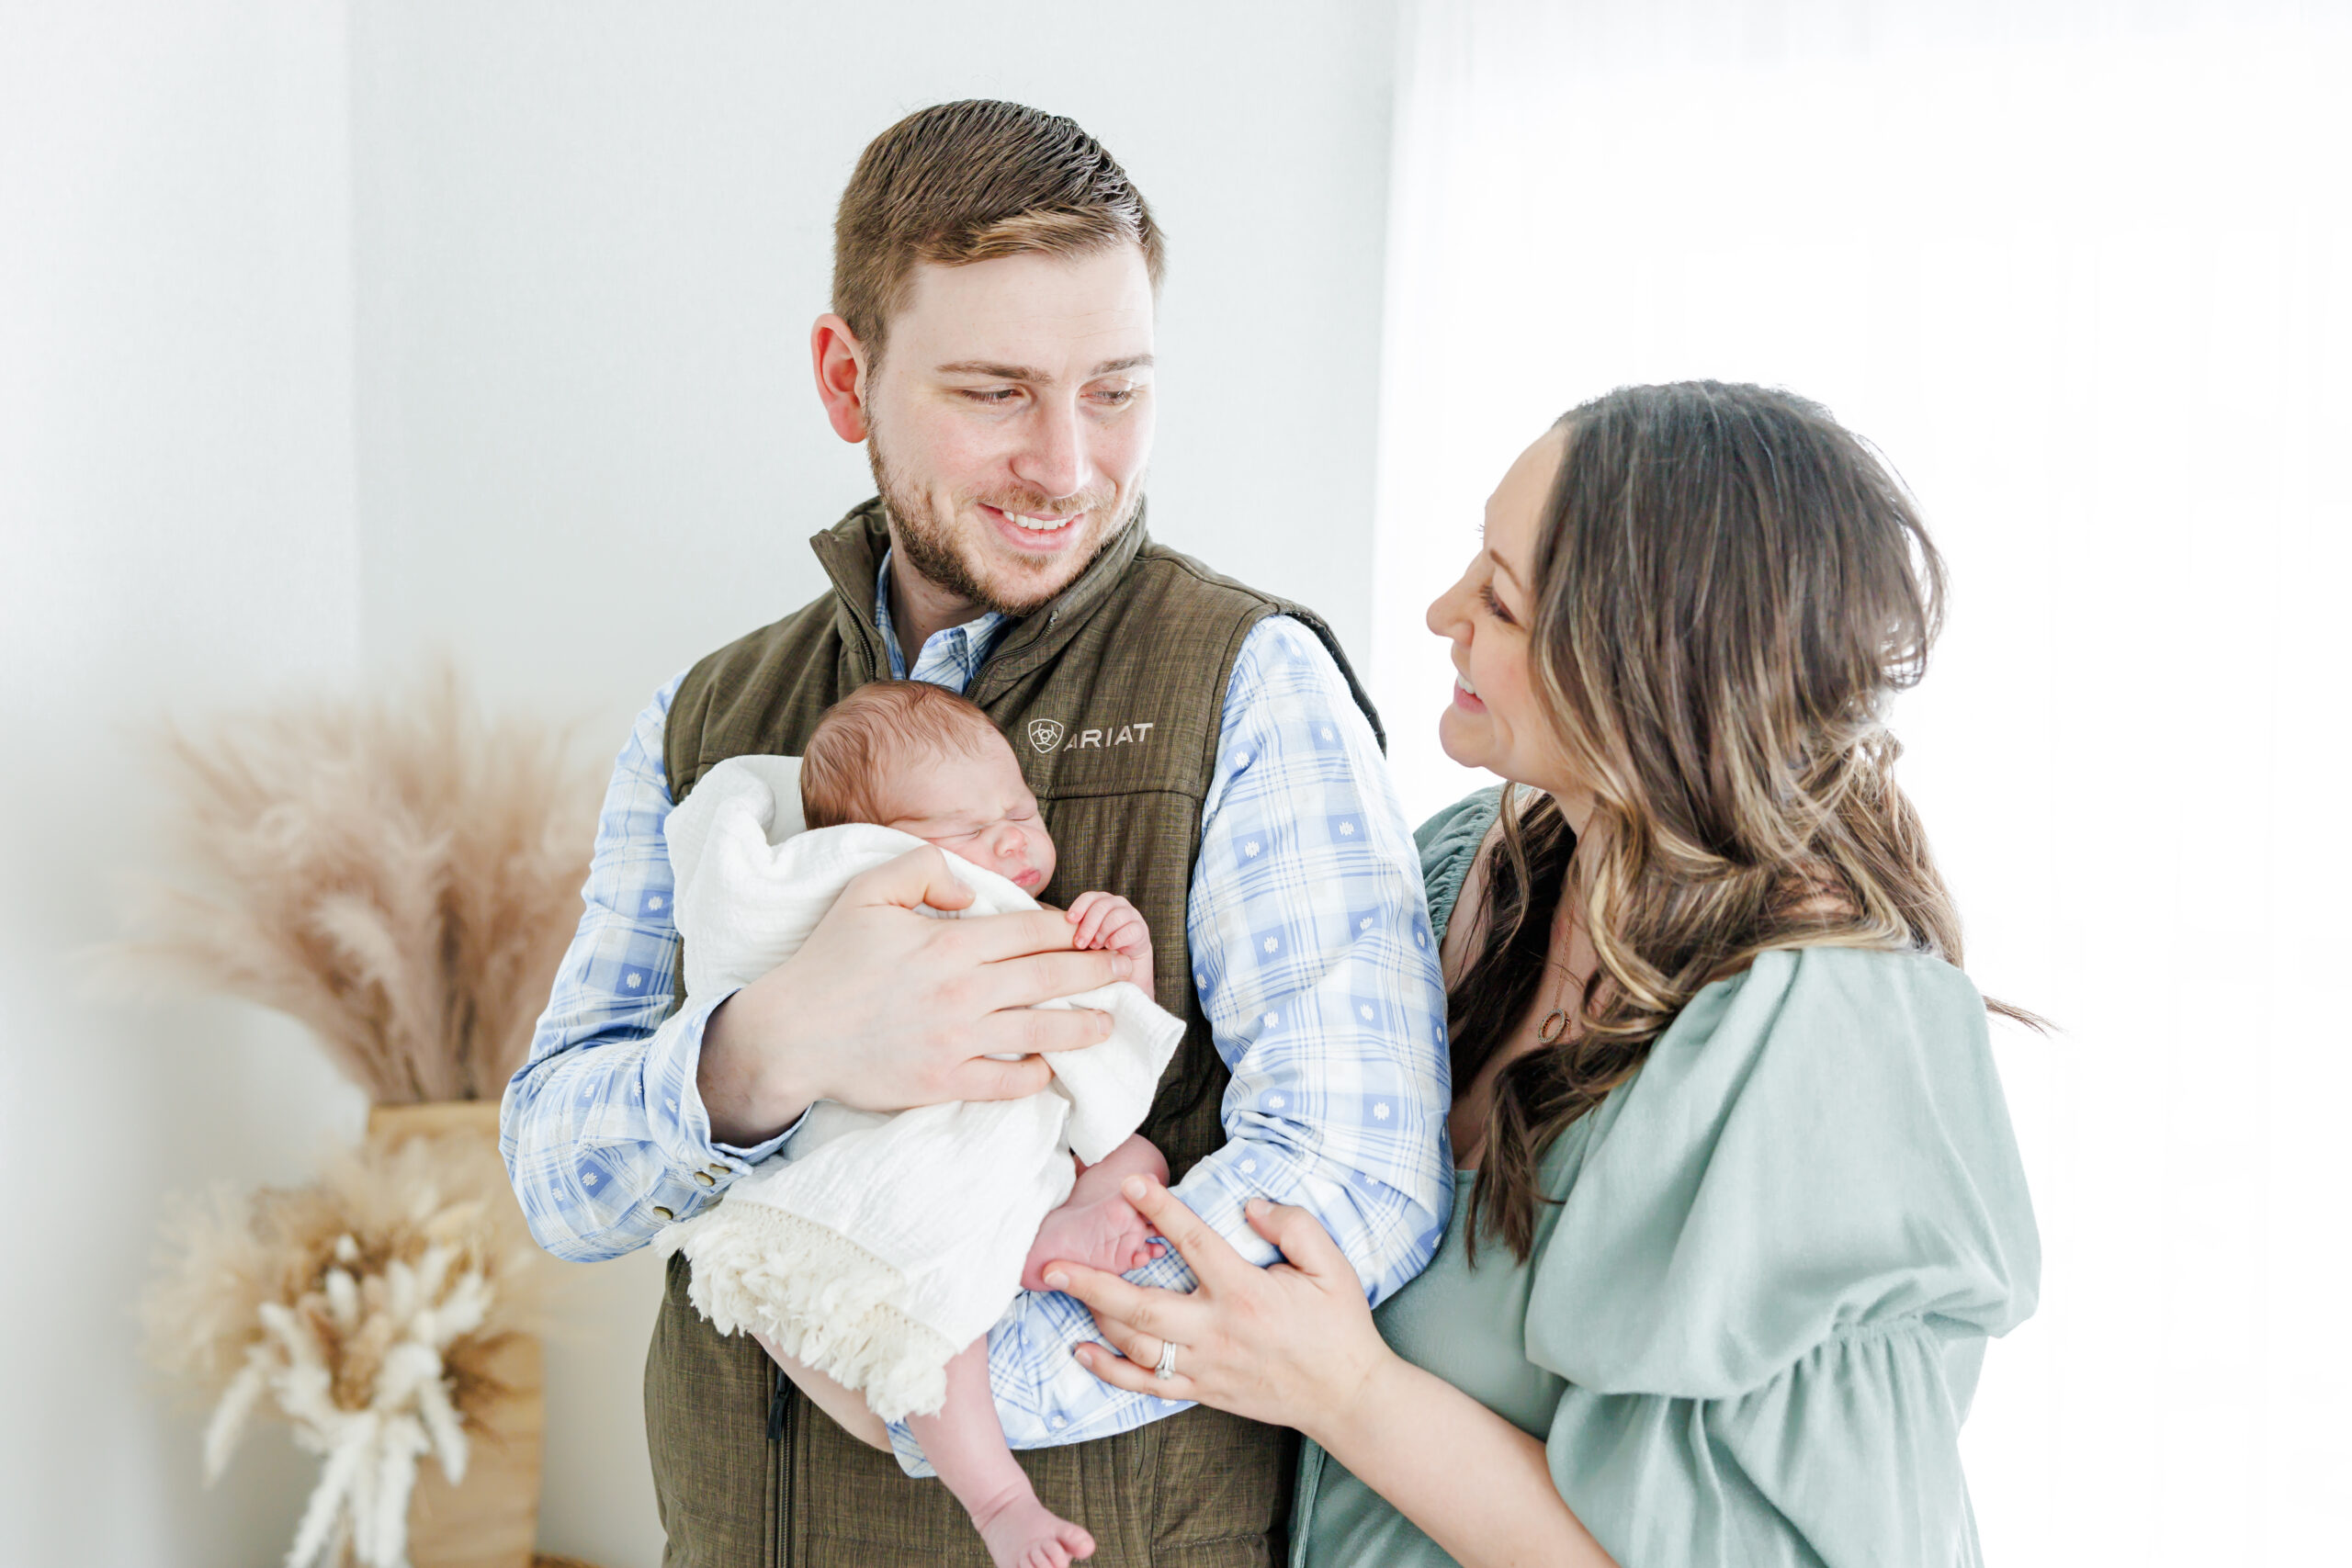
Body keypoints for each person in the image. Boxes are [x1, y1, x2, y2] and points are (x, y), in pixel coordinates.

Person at [499, 100, 1451, 1567]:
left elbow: (1355, 1187)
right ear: (845, 376)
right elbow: (561, 1181)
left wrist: (916, 1370)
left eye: (1116, 391)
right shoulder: (705, 719)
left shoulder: (1251, 683)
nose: (1066, 465)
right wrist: (764, 1050)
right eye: (997, 392)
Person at [1045, 381, 2042, 1567]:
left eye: (1501, 603)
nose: (1439, 613)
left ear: (1650, 680)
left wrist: (1347, 1392)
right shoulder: (1464, 869)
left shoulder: (1830, 1031)